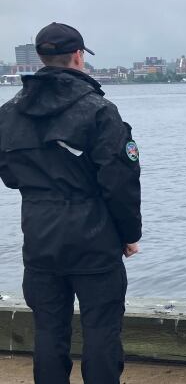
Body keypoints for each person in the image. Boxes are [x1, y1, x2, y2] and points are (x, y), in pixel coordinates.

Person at [0, 23, 142, 384]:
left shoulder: (9, 113)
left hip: (39, 231)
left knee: (48, 329)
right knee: (102, 329)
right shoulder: (98, 109)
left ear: (41, 58)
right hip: (92, 232)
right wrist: (128, 233)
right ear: (79, 56)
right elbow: (120, 181)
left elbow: (10, 173)